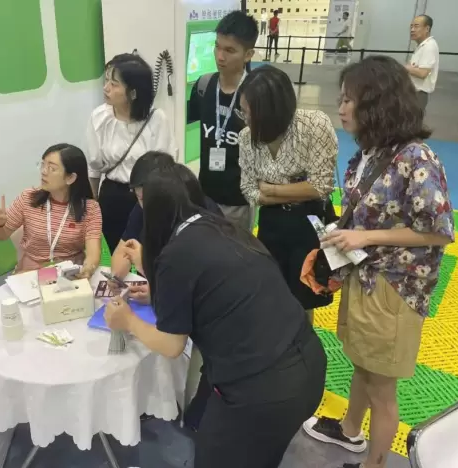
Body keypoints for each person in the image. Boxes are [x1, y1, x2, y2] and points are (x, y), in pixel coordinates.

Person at [104, 170, 326, 468]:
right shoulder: (221, 227)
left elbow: (171, 346)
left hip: (259, 390)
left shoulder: (174, 254)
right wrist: (158, 288)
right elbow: (211, 290)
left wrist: (127, 320)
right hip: (307, 367)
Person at [303, 56, 454, 468]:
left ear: (377, 103)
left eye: (349, 99)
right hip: (364, 277)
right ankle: (351, 429)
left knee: (382, 388)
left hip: (394, 288)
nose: (341, 108)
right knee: (363, 364)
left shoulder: (416, 159)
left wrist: (365, 237)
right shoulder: (369, 153)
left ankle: (375, 462)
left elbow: (439, 230)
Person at [238, 65, 338, 321]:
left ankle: (303, 343)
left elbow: (321, 185)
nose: (245, 120)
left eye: (249, 114)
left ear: (271, 113)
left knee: (305, 295)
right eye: (243, 112)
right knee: (270, 293)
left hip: (309, 222)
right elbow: (249, 189)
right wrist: (297, 189)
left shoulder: (313, 125)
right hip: (272, 223)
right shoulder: (246, 138)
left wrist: (271, 189)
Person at [86, 53, 177, 254]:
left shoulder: (157, 119)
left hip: (148, 197)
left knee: (150, 253)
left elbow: (166, 167)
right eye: (106, 81)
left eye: (114, 84)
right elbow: (94, 167)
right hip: (112, 196)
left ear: (133, 92)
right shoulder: (99, 117)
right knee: (117, 253)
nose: (106, 88)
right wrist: (92, 204)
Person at [111, 153, 223, 295]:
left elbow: (195, 279)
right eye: (139, 198)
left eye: (147, 198)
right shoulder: (141, 210)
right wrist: (115, 277)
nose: (144, 205)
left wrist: (145, 265)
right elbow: (123, 249)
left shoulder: (199, 213)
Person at [188, 11, 257, 230]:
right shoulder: (204, 85)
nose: (220, 56)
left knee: (235, 249)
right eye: (217, 47)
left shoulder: (256, 94)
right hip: (204, 196)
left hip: (239, 201)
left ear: (248, 54)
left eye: (229, 50)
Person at [0, 143, 101, 277]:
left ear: (70, 178)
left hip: (69, 274)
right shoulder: (28, 198)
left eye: (51, 168)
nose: (43, 172)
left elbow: (93, 254)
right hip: (30, 274)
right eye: (42, 165)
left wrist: (87, 270)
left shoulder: (90, 209)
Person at [406, 15, 439, 111]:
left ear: (427, 29)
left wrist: (405, 68)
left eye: (416, 26)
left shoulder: (429, 46)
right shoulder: (422, 46)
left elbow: (422, 73)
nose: (412, 30)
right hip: (412, 92)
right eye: (411, 26)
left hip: (418, 95)